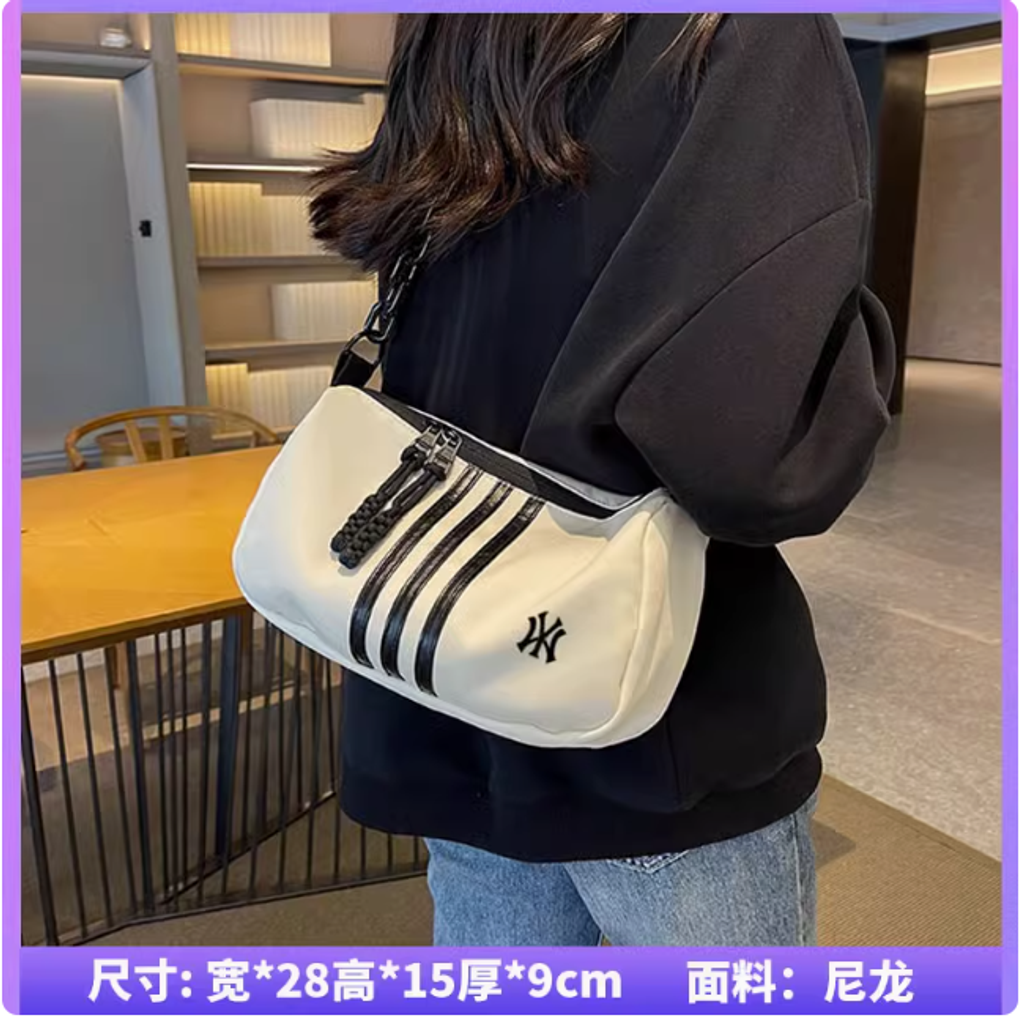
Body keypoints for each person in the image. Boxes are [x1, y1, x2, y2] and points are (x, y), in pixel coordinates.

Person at [310, 13, 895, 947]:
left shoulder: (454, 32)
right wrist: (853, 344)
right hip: (653, 722)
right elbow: (755, 462)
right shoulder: (750, 31)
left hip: (449, 683)